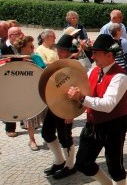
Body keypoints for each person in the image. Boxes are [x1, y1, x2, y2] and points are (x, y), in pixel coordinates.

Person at [67, 34, 127, 185]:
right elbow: (84, 91)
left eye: (96, 53)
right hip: (93, 124)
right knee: (82, 163)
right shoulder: (94, 71)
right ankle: (107, 184)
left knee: (115, 166)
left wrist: (81, 98)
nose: (93, 56)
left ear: (109, 55)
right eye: (92, 52)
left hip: (114, 126)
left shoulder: (120, 76)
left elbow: (108, 105)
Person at [40, 34, 78, 179]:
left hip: (66, 108)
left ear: (69, 51)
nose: (59, 53)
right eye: (58, 50)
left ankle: (70, 165)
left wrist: (71, 113)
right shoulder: (59, 63)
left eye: (62, 50)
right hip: (54, 104)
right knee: (47, 133)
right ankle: (59, 160)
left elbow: (77, 90)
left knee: (65, 137)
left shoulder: (73, 65)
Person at [13, 36, 44, 151]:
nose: (33, 47)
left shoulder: (36, 57)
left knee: (45, 115)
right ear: (22, 48)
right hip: (26, 92)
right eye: (30, 46)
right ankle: (32, 140)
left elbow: (43, 70)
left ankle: (48, 136)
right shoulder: (14, 60)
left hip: (39, 89)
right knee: (30, 117)